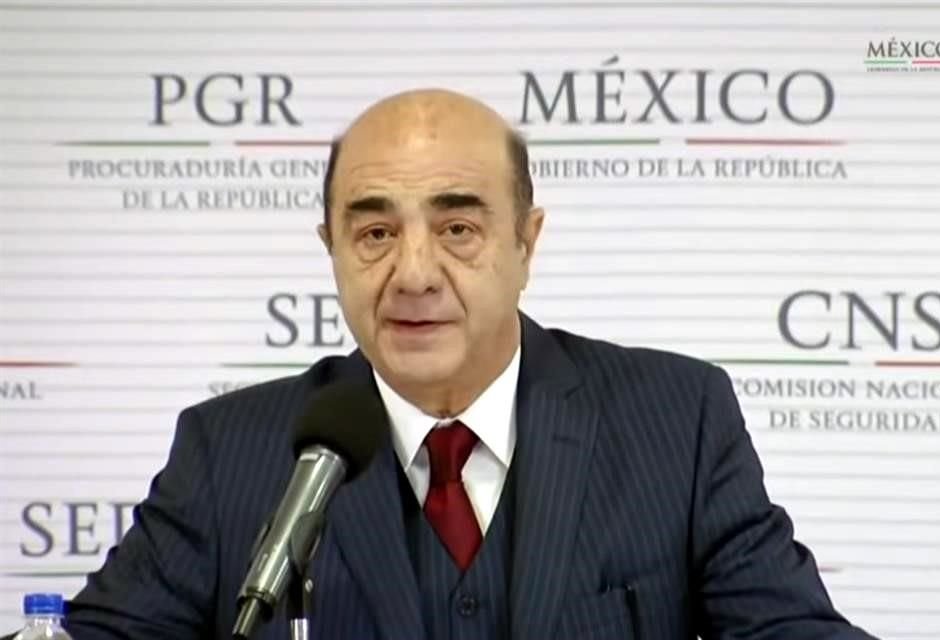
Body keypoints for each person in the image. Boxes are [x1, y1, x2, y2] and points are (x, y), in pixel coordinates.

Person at [57, 89, 877, 639]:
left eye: (458, 229)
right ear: (332, 249)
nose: (413, 273)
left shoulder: (676, 420)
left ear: (526, 243)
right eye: (375, 233)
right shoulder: (230, 450)